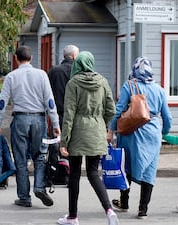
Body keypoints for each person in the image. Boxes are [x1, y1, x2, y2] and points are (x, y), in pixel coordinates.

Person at [0, 45, 61, 208]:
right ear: (31, 58)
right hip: (39, 119)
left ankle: (24, 197)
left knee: (21, 159)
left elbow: (2, 101)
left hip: (20, 119)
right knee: (39, 155)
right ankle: (39, 186)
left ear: (16, 59)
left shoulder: (11, 76)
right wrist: (56, 123)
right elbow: (50, 101)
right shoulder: (42, 75)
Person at [57, 51, 119, 225]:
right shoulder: (103, 81)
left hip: (77, 131)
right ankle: (109, 210)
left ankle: (73, 216)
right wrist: (101, 123)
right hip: (97, 131)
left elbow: (69, 114)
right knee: (93, 173)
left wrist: (64, 142)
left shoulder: (73, 83)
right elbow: (111, 110)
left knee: (75, 174)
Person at [107, 57, 172, 219]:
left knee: (126, 166)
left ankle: (124, 202)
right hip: (153, 133)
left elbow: (119, 109)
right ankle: (143, 209)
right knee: (149, 171)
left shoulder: (129, 85)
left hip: (131, 133)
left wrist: (111, 130)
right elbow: (167, 116)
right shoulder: (160, 90)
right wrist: (164, 132)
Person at [48, 44, 79, 128]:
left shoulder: (54, 71)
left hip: (57, 114)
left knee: (57, 139)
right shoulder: (79, 72)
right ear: (74, 56)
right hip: (76, 114)